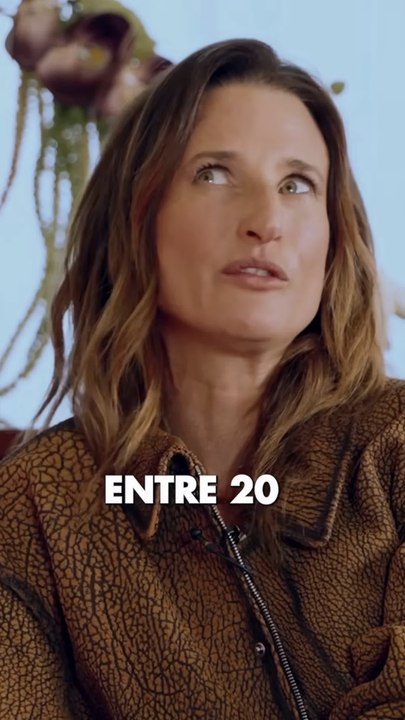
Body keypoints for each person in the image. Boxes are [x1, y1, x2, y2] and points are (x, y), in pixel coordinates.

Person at [0, 38, 403, 720]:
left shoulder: (393, 444)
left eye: (297, 184)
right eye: (214, 174)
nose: (266, 221)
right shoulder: (34, 505)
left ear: (335, 240)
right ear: (136, 219)